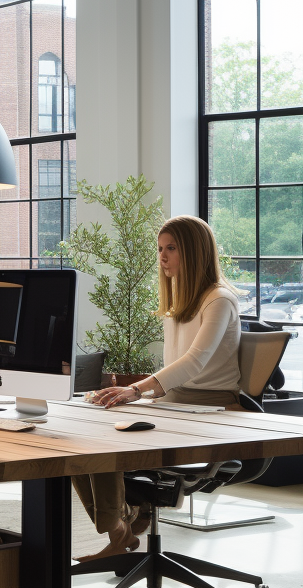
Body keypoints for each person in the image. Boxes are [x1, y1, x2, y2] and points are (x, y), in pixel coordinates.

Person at [73, 215, 242, 561]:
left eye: (171, 249)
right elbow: (173, 367)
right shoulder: (180, 299)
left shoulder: (219, 300)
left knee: (104, 443)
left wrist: (136, 391)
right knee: (80, 436)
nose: (162, 257)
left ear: (194, 251)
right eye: (160, 249)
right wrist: (135, 397)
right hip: (174, 405)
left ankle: (120, 529)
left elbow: (194, 362)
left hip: (212, 410)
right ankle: (119, 526)